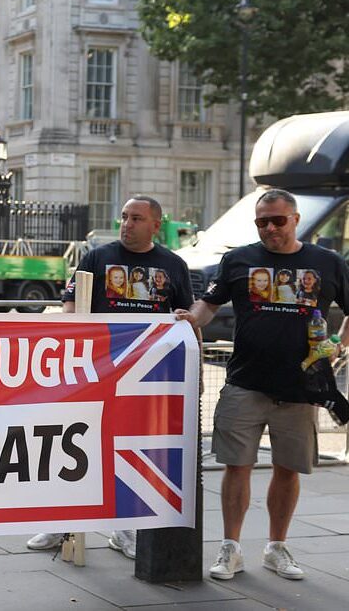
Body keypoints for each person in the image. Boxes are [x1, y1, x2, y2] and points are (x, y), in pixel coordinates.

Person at [175, 189, 349, 582]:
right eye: (262, 221)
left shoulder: (328, 263)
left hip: (300, 385)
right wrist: (192, 318)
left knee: (287, 469)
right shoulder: (238, 259)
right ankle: (231, 548)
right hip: (245, 381)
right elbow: (210, 303)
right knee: (237, 466)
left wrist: (338, 344)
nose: (270, 227)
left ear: (295, 219)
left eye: (277, 220)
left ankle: (276, 547)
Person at [27, 195, 192, 560]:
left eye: (136, 218)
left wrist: (184, 320)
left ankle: (123, 527)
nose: (127, 223)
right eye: (123, 216)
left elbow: (184, 316)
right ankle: (62, 523)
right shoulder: (97, 258)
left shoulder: (173, 265)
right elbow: (70, 306)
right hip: (96, 372)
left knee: (128, 449)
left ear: (155, 224)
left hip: (143, 376)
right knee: (75, 447)